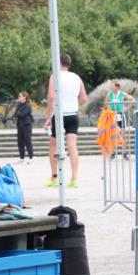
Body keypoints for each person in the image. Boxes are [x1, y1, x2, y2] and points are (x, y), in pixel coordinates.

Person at [43, 53, 88, 187]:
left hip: (59, 114)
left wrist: (48, 117)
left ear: (58, 63)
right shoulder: (76, 77)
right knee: (72, 145)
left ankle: (54, 176)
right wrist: (74, 105)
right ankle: (74, 178)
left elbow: (51, 97)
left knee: (53, 145)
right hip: (73, 114)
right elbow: (84, 98)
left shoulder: (54, 77)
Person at [13, 91, 34, 163]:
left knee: (28, 141)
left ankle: (31, 158)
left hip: (26, 125)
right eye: (18, 96)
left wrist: (19, 113)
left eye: (20, 96)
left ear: (24, 97)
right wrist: (18, 113)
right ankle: (21, 158)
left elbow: (23, 114)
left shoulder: (27, 105)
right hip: (20, 125)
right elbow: (15, 114)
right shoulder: (19, 105)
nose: (18, 97)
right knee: (20, 142)